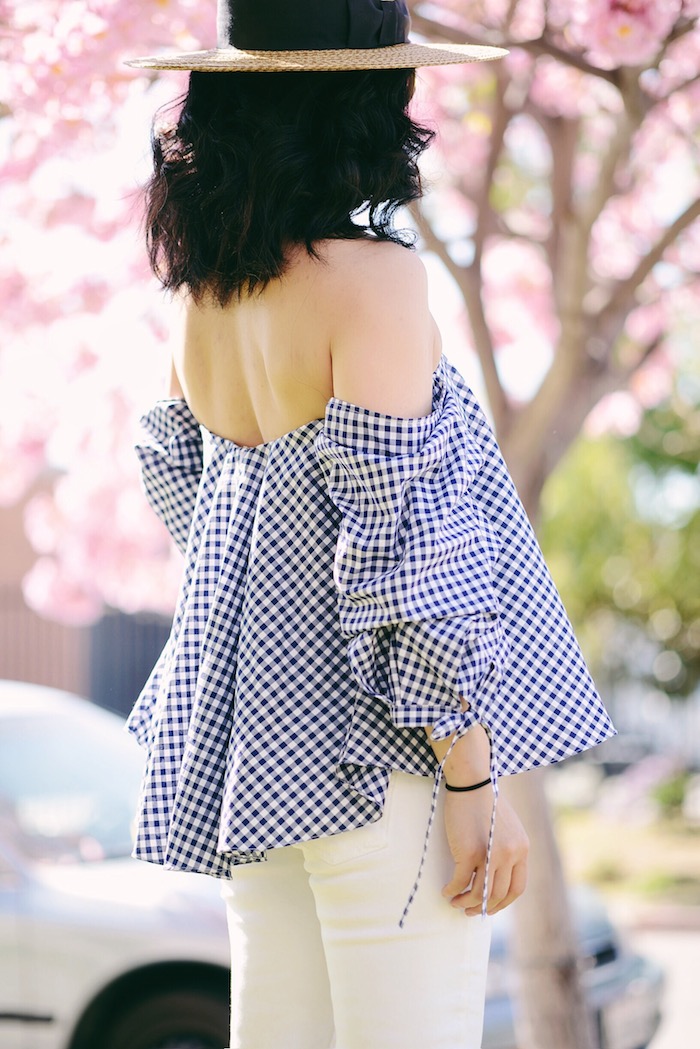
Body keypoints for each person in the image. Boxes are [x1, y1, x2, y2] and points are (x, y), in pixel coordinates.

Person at [125, 3, 616, 1047]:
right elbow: (407, 549)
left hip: (261, 757)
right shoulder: (376, 282)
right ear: (353, 103)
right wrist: (473, 775)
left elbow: (183, 477)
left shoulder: (201, 298)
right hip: (380, 765)